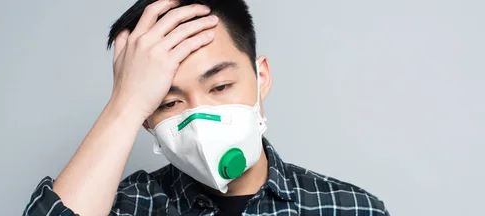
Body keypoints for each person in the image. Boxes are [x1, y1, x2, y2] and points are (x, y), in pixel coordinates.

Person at [22, 0, 390, 215]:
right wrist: (124, 103)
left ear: (260, 78)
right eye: (169, 102)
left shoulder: (351, 208)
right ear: (147, 119)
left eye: (220, 86)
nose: (200, 119)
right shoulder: (127, 207)